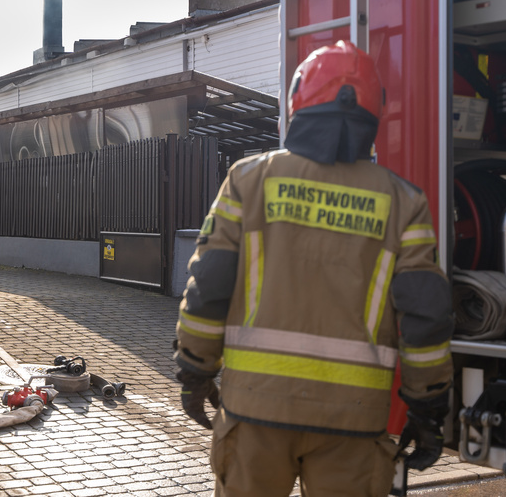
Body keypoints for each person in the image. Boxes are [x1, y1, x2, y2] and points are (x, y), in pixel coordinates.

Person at [173, 40, 454, 496]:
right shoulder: (404, 202)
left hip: (254, 413)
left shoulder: (249, 180)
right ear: (373, 111)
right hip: (355, 421)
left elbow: (209, 287)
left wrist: (195, 369)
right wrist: (427, 407)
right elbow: (426, 317)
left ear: (299, 99)